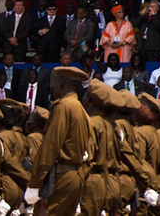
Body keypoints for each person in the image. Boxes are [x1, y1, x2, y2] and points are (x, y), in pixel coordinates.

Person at [23, 65, 93, 216]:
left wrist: (35, 183)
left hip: (60, 177)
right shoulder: (81, 109)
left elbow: (51, 146)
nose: (52, 87)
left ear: (60, 84)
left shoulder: (63, 106)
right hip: (75, 176)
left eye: (54, 83)